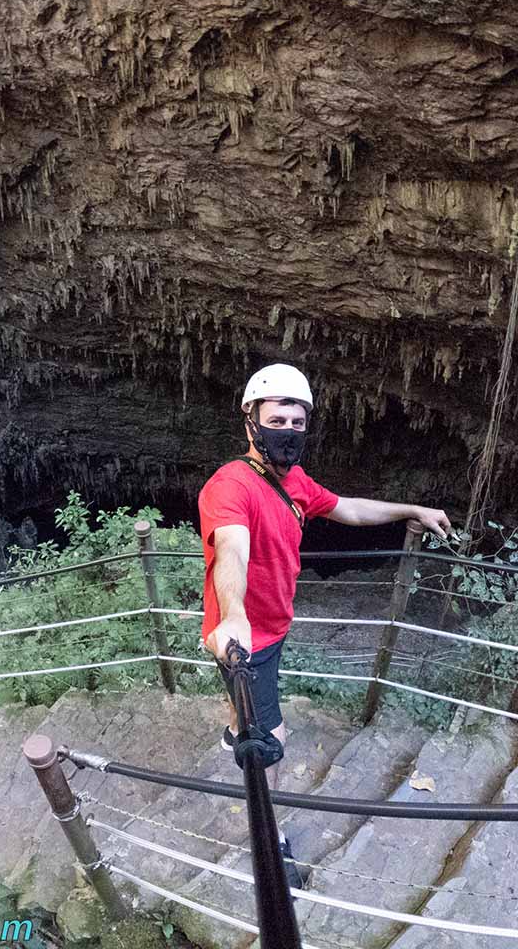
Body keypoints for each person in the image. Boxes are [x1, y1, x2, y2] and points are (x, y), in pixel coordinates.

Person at [197, 362, 452, 887]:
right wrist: (237, 618)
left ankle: (234, 729)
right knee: (271, 743)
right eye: (278, 419)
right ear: (251, 421)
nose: (288, 431)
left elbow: (349, 509)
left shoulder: (292, 481)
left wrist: (413, 509)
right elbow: (231, 552)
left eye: (297, 422)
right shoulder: (230, 487)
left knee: (249, 720)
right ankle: (270, 837)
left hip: (270, 625)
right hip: (247, 639)